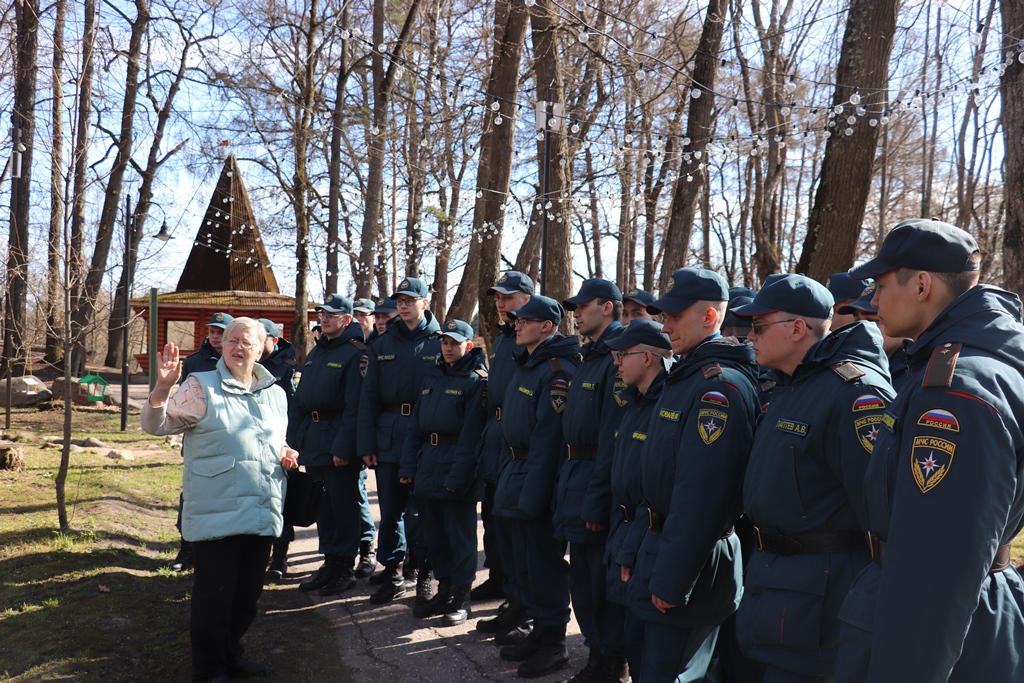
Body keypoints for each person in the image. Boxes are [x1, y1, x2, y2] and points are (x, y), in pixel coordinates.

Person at [836, 219, 1024, 682]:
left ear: (922, 285)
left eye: (881, 286)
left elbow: (937, 565)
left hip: (939, 631)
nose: (873, 301)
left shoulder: (955, 390)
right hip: (967, 620)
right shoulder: (981, 363)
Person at [731, 275, 895, 683]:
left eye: (759, 326)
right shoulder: (792, 386)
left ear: (797, 329)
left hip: (822, 598)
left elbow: (883, 515)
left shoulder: (854, 393)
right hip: (778, 583)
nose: (749, 336)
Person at [141, 317, 298, 683]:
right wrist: (162, 388)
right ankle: (209, 670)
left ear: (261, 349)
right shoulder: (202, 386)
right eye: (231, 340)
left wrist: (286, 452)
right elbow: (155, 425)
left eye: (246, 342)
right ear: (222, 346)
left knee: (246, 597)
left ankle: (231, 656)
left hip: (261, 508)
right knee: (215, 598)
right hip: (218, 511)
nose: (238, 347)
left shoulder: (275, 393)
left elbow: (275, 439)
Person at [626, 268, 760, 683]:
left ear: (708, 317)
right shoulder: (685, 377)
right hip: (661, 547)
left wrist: (672, 580)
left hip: (690, 562)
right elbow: (659, 480)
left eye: (674, 316)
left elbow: (703, 497)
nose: (664, 326)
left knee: (670, 673)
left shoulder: (718, 389)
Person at [493, 295, 581, 678]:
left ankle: (555, 643)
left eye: (524, 320)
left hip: (537, 479)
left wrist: (533, 497)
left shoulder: (557, 371)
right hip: (518, 473)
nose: (516, 324)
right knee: (526, 563)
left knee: (545, 564)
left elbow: (548, 442)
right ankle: (540, 631)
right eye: (516, 320)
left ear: (546, 326)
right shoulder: (527, 364)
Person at [556, 278, 629, 683]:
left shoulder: (616, 356)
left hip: (595, 484)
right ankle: (598, 656)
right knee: (583, 581)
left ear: (607, 307)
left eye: (583, 306)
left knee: (600, 585)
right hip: (576, 478)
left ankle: (611, 663)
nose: (576, 313)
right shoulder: (590, 356)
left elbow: (612, 439)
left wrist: (598, 502)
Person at [358, 277, 442, 606]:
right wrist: (367, 445)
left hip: (426, 437)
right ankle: (392, 574)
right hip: (389, 435)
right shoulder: (382, 345)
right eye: (400, 301)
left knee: (423, 512)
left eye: (410, 300)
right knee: (391, 511)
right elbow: (368, 398)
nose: (404, 306)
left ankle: (422, 573)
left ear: (425, 303)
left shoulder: (440, 342)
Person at [399, 319, 488, 626]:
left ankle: (462, 598)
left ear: (469, 346)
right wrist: (408, 467)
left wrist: (459, 478)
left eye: (455, 343)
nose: (448, 348)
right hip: (428, 465)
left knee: (460, 539)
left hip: (456, 469)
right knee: (434, 537)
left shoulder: (476, 382)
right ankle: (445, 590)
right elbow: (415, 428)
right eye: (445, 342)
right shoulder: (432, 376)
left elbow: (473, 436)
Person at [603, 320, 672, 679]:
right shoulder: (635, 402)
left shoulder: (666, 405)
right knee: (631, 637)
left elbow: (658, 491)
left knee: (647, 648)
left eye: (622, 355)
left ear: (647, 357)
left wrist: (630, 549)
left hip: (647, 537)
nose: (616, 363)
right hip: (628, 531)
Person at [289, 295, 371, 597]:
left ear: (347, 320)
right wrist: (294, 442)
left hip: (337, 440)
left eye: (332, 315)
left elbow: (355, 407)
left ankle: (344, 567)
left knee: (343, 508)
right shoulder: (317, 351)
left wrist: (343, 447)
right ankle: (330, 562)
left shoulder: (356, 354)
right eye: (322, 314)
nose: (324, 318)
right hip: (314, 439)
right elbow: (300, 400)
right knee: (322, 506)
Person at [473, 271, 534, 612]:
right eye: (498, 297)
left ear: (527, 299)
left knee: (512, 522)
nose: (500, 303)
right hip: (494, 436)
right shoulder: (502, 339)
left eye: (507, 297)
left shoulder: (530, 338)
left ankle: (516, 592)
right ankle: (498, 577)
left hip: (516, 439)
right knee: (492, 516)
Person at [168, 311, 234, 573]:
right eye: (213, 332)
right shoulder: (195, 362)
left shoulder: (237, 360)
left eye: (221, 332)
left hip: (228, 439)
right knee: (192, 494)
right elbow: (183, 402)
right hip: (199, 438)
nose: (216, 337)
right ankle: (187, 548)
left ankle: (221, 552)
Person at [257, 318, 299, 581]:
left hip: (280, 446)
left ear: (274, 340)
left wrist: (289, 447)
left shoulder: (289, 369)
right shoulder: (246, 365)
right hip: (252, 445)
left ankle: (280, 556)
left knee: (281, 503)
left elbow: (295, 409)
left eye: (261, 339)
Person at [833, 282, 912, 391]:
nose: (862, 329)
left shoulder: (914, 369)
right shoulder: (851, 362)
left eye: (872, 321)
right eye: (857, 321)